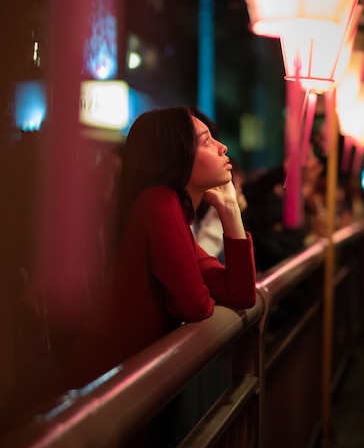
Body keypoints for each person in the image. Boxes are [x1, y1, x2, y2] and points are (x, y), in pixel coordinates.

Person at [66, 106, 256, 386]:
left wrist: (229, 207)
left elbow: (240, 293)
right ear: (177, 158)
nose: (222, 146)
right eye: (206, 141)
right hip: (94, 394)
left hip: (119, 388)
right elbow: (195, 306)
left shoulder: (172, 211)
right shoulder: (159, 203)